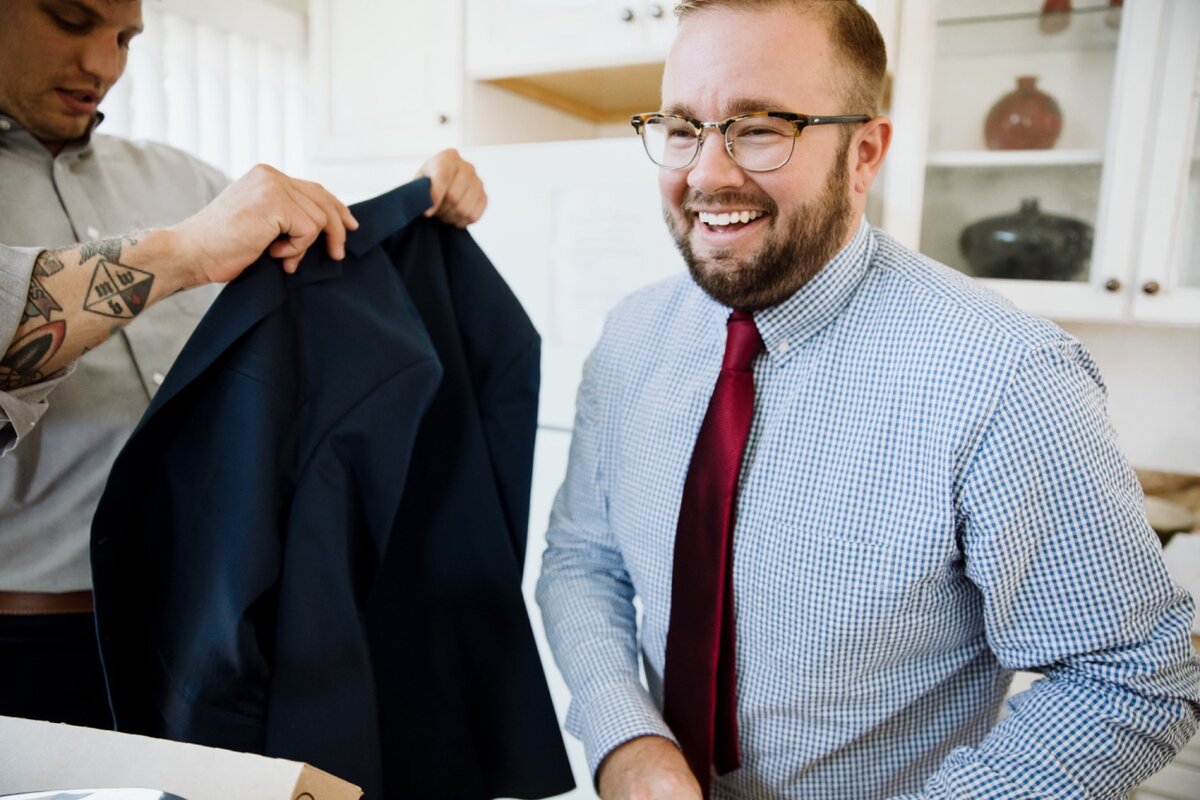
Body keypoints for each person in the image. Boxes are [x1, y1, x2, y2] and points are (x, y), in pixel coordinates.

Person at [535, 1, 1200, 798]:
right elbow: (583, 560)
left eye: (759, 127)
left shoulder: (1007, 377)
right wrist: (628, 742)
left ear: (864, 153)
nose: (706, 174)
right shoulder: (632, 337)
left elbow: (1131, 677)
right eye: (683, 129)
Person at [0, 0, 487, 729]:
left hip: (218, 633)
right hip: (32, 652)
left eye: (126, 38)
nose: (103, 65)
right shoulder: (195, 219)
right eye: (72, 22)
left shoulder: (187, 181)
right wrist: (181, 255)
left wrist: (414, 206)